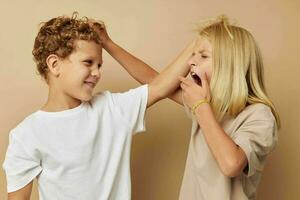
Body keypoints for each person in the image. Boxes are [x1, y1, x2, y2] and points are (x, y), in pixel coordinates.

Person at [2, 13, 195, 199]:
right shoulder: (26, 135)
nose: (97, 73)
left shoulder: (111, 109)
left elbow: (160, 86)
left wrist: (198, 43)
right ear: (54, 64)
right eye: (88, 62)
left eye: (99, 65)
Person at [99, 15, 281, 200]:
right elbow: (155, 82)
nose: (190, 62)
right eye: (193, 55)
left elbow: (231, 165)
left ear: (230, 64)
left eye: (203, 56)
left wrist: (201, 107)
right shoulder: (208, 104)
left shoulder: (260, 115)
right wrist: (108, 43)